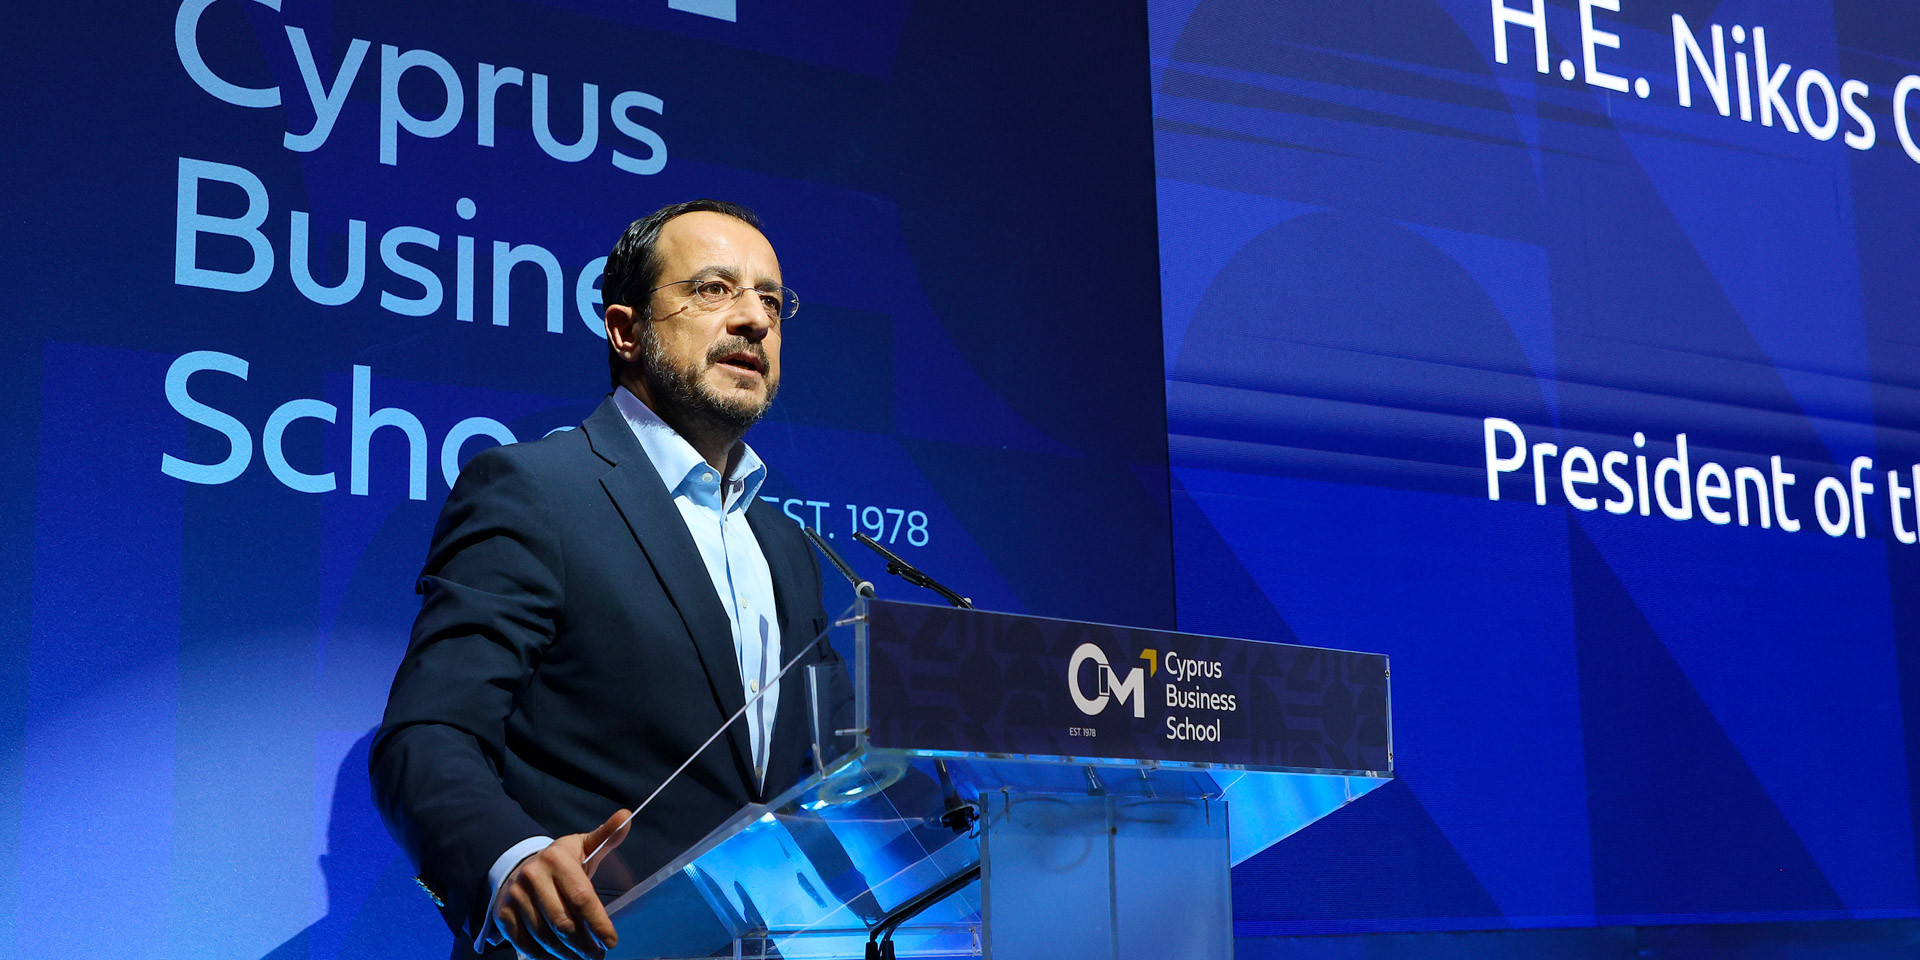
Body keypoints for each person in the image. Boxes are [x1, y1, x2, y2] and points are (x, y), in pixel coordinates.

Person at [370, 199, 830, 960]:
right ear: (625, 330)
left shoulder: (786, 546)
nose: (754, 320)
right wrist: (509, 859)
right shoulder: (536, 490)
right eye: (714, 289)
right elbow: (429, 732)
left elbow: (829, 773)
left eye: (772, 302)